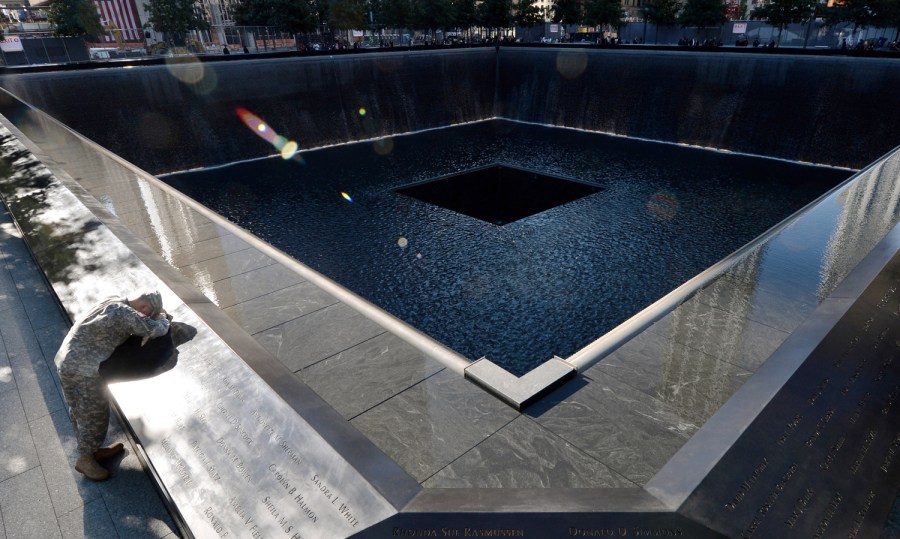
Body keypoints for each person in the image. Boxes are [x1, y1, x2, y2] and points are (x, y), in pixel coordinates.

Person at [55, 291, 171, 481]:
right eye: (148, 313)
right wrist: (162, 318)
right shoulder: (124, 313)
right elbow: (154, 329)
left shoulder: (113, 300)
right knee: (93, 414)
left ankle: (92, 451)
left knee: (79, 409)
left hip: (68, 361)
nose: (146, 316)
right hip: (83, 370)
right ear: (145, 307)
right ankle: (86, 460)